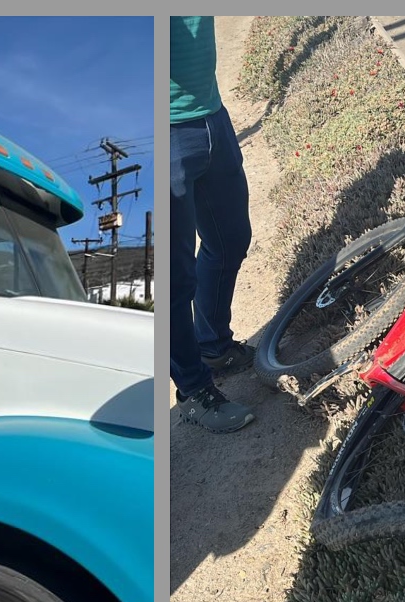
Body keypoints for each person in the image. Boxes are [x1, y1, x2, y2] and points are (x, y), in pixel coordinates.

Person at [170, 16, 256, 433]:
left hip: (211, 115)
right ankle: (191, 389)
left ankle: (214, 345)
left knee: (231, 238)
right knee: (174, 277)